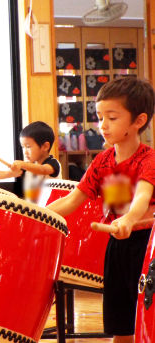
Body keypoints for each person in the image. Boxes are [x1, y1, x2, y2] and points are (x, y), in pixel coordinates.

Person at [47, 77, 155, 343]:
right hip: (117, 246)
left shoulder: (148, 159)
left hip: (147, 246)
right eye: (100, 117)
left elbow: (142, 196)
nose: (102, 125)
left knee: (147, 321)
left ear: (138, 121)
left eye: (112, 118)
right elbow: (73, 200)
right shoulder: (102, 161)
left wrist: (128, 219)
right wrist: (37, 215)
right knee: (121, 324)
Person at [0, 121, 61, 202]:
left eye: (28, 147)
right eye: (23, 147)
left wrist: (22, 164)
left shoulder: (53, 163)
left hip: (51, 211)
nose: (25, 152)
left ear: (45, 146)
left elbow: (43, 170)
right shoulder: (29, 166)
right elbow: (5, 174)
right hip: (35, 210)